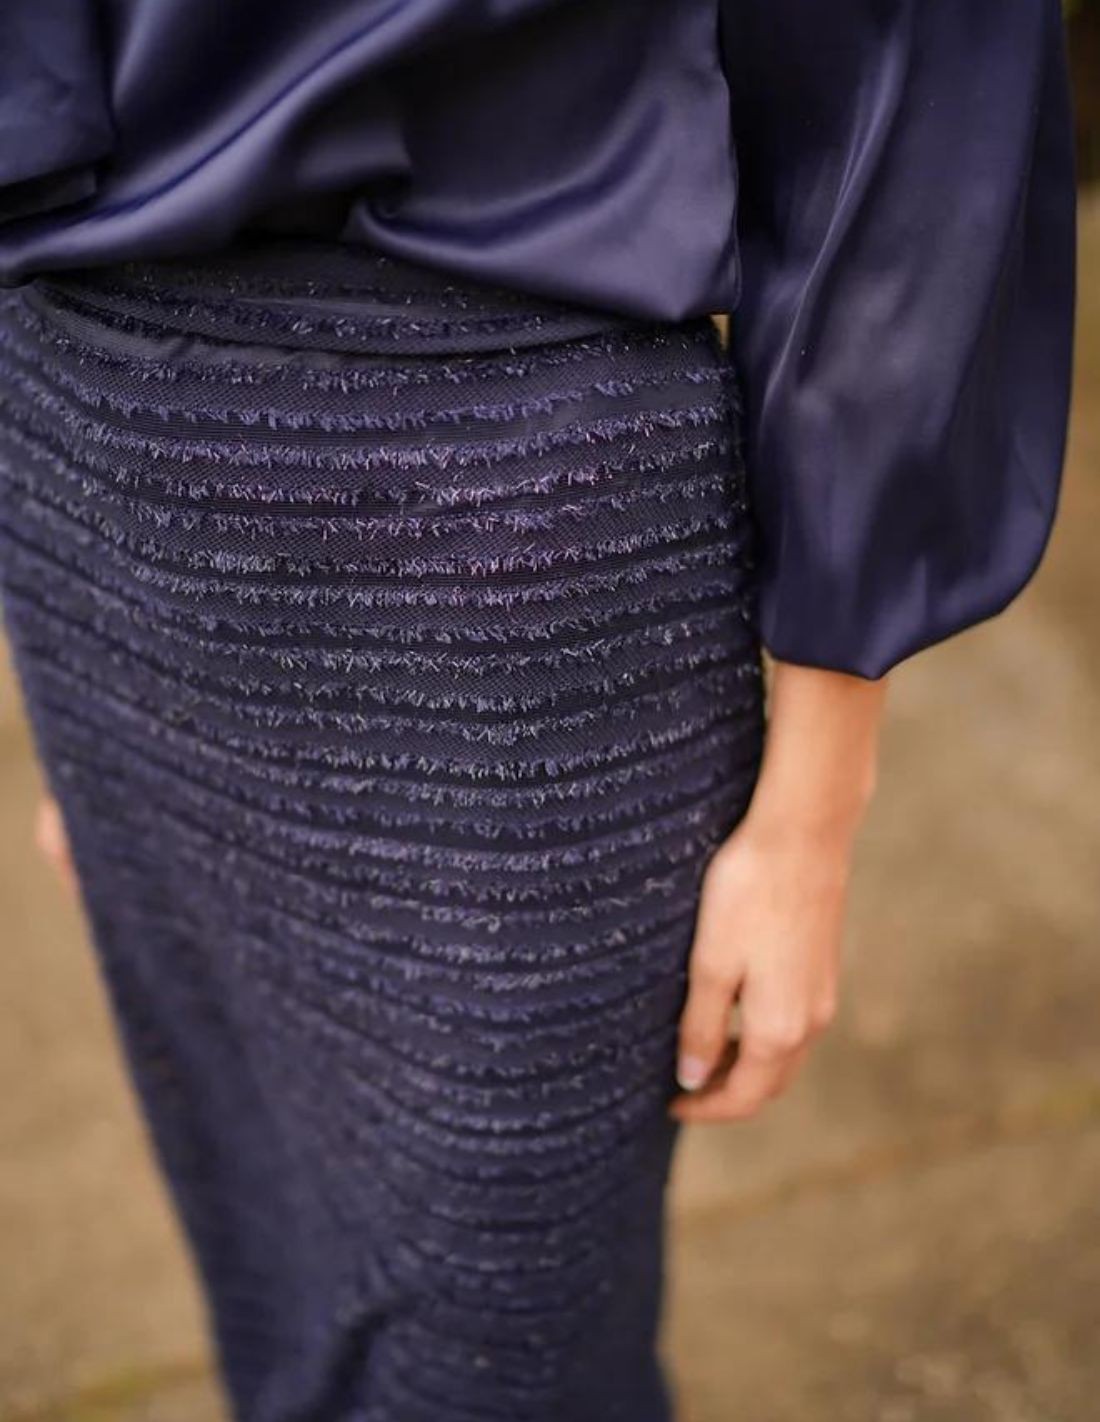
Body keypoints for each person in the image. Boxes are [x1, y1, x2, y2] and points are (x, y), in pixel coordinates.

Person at [0, 2, 1076, 1420]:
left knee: (503, 1346)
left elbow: (910, 92)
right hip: (94, 451)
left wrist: (812, 809)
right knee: (273, 1260)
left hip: (502, 543)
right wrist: (94, 682)